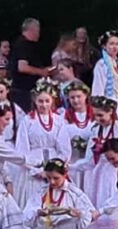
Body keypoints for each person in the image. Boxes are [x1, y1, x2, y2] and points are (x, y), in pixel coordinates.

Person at [70, 96, 118, 229]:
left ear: (111, 112)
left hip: (114, 174)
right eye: (95, 115)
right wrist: (72, 167)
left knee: (114, 209)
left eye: (101, 115)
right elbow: (89, 159)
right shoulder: (95, 130)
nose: (98, 119)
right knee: (99, 205)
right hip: (98, 175)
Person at [13, 79, 72, 210]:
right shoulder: (27, 120)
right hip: (33, 166)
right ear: (35, 101)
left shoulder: (58, 121)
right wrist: (36, 170)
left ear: (52, 101)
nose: (44, 105)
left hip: (54, 164)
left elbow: (64, 148)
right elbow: (21, 149)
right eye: (40, 101)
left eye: (47, 101)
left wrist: (56, 168)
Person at [10, 18, 53, 112]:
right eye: (38, 31)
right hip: (23, 91)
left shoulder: (30, 45)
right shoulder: (23, 45)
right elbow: (22, 67)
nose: (39, 34)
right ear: (32, 30)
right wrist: (41, 72)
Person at [63, 81, 95, 189]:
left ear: (85, 96)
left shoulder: (95, 115)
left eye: (78, 96)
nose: (76, 100)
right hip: (73, 161)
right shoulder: (64, 116)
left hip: (91, 163)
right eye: (72, 97)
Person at [92, 31, 118, 117]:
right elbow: (98, 89)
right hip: (108, 105)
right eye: (111, 44)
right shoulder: (101, 65)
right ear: (104, 46)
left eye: (117, 44)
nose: (115, 47)